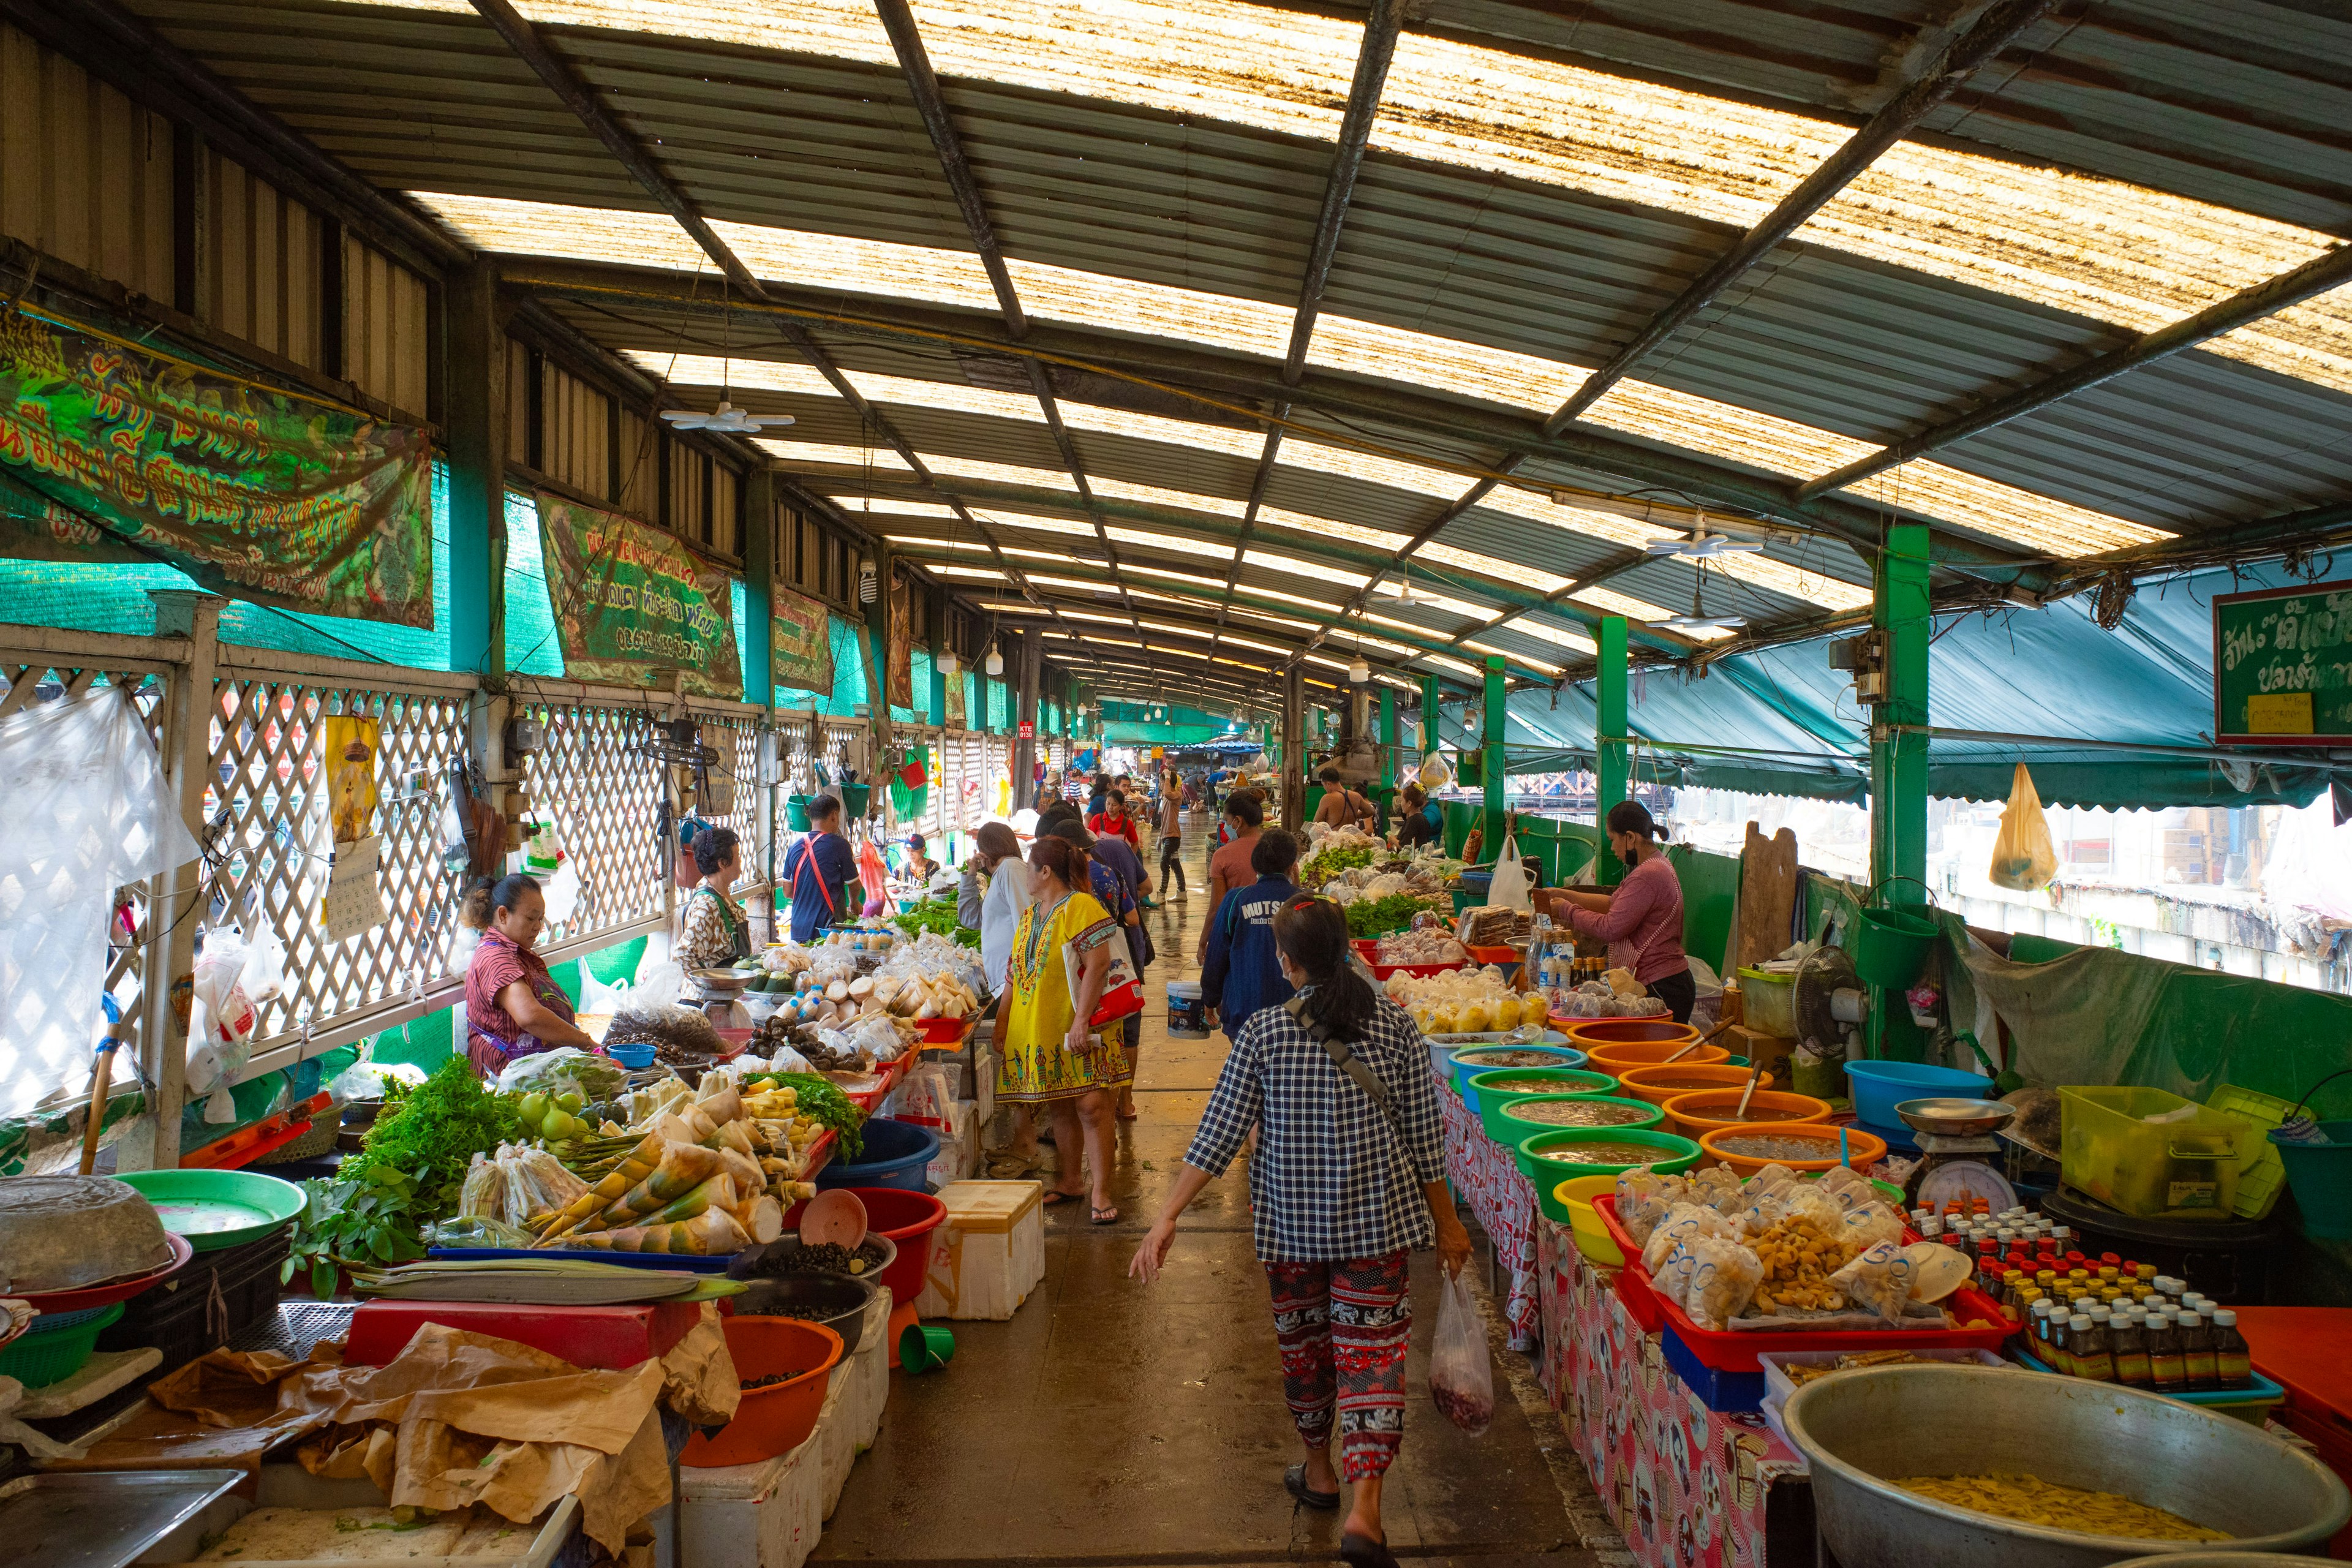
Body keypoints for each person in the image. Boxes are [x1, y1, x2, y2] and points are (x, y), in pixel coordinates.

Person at [1132, 897, 1470, 1564]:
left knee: (1305, 1349)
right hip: (1376, 1229)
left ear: (1286, 963)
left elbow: (1220, 1132)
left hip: (1290, 1232)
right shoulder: (1397, 1030)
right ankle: (1365, 1511)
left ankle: (1319, 1472)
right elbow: (1427, 1142)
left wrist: (1167, 1215)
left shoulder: (1262, 1033)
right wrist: (1450, 1223)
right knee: (1372, 1360)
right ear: (1345, 949)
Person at [998, 835, 1129, 1223]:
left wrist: (1082, 1019)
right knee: (1060, 1103)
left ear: (1045, 871)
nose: (1024, 875)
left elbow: (1100, 963)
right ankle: (1071, 1181)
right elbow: (1013, 974)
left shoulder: (1080, 906)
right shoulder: (1030, 915)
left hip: (1077, 1025)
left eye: (1028, 868)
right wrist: (1003, 1022)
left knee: (1091, 1105)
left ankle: (1101, 1191)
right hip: (1040, 1028)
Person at [1539, 799, 1695, 1023]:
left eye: (1613, 840)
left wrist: (1567, 910)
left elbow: (1611, 927)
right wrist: (1566, 894)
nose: (1612, 849)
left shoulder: (1648, 875)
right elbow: (1615, 904)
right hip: (1665, 981)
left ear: (1630, 837)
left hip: (1662, 985)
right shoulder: (1655, 866)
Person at [1047, 813, 1151, 1120]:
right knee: (1124, 1035)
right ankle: (1124, 1103)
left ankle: (1086, 1110)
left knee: (1082, 1035)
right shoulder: (1111, 874)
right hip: (1120, 968)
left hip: (1079, 973)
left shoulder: (1065, 886)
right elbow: (1132, 919)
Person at [462, 873, 598, 1077]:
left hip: (533, 1073)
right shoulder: (494, 958)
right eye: (530, 918)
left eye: (540, 918)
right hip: (508, 1081)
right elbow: (530, 1017)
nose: (538, 926)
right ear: (503, 915)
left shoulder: (515, 952)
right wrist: (584, 1041)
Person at [1200, 828, 1300, 1041]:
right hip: (1298, 1016)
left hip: (1243, 1012)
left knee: (1248, 1071)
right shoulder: (1308, 902)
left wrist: (1210, 997)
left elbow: (1217, 954)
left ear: (1255, 866)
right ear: (1293, 866)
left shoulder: (1236, 900)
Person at [676, 826, 751, 1009]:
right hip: (704, 1003)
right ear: (723, 863)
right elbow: (683, 955)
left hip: (723, 998)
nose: (741, 861)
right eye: (738, 855)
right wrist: (710, 986)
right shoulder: (708, 905)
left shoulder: (721, 895)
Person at [956, 821, 1031, 993]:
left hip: (1013, 982)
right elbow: (971, 918)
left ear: (985, 851)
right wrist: (971, 873)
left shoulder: (1011, 868)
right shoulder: (1002, 873)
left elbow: (1025, 923)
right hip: (1005, 981)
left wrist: (1017, 976)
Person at [1196, 790, 1265, 962]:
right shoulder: (1280, 849)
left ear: (1238, 821)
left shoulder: (1223, 855)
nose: (1226, 826)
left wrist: (1203, 941)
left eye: (1227, 821)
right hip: (1276, 935)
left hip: (1238, 934)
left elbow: (1216, 908)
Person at [784, 793, 858, 943]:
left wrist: (809, 898)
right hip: (827, 929)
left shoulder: (794, 847)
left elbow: (787, 891)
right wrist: (854, 903)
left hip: (798, 927)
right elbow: (854, 884)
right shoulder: (840, 845)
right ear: (834, 815)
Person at [1314, 767, 1377, 831]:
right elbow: (1371, 811)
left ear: (1328, 784)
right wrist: (1356, 814)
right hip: (1351, 838)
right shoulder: (1356, 796)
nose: (1324, 788)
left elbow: (1317, 823)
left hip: (1335, 839)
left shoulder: (1327, 798)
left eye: (1323, 785)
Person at [1154, 784, 1187, 900]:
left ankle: (1162, 894)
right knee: (1175, 864)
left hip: (1173, 837)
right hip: (1167, 836)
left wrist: (1167, 777)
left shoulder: (1176, 795)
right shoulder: (1167, 799)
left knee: (1164, 864)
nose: (1161, 785)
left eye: (1162, 782)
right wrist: (1160, 837)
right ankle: (1182, 893)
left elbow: (1167, 793)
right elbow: (1165, 820)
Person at [1089, 786, 1144, 853]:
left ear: (1121, 806)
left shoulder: (1127, 823)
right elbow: (1089, 838)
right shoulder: (1097, 819)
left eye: (1114, 805)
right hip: (1100, 861)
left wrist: (1130, 858)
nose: (1110, 808)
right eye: (1108, 803)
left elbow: (1135, 843)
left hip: (1119, 861)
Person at [1392, 782, 1441, 850]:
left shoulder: (1430, 812)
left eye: (1402, 801)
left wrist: (1393, 840)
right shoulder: (1420, 817)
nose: (1401, 804)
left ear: (1409, 803)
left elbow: (1404, 846)